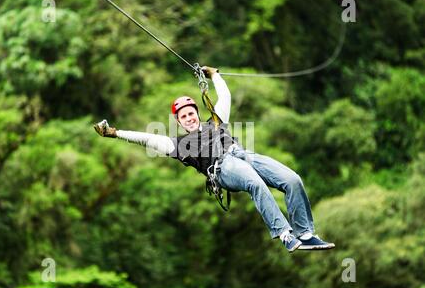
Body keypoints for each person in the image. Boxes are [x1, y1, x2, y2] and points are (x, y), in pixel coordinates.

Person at [94, 66, 335, 253]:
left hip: (243, 155)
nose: (188, 118)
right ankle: (284, 234)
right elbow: (146, 139)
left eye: (191, 113)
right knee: (255, 183)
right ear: (178, 122)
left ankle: (305, 234)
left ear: (197, 114)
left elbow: (225, 97)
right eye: (183, 117)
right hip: (222, 168)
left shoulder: (216, 122)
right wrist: (116, 133)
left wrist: (215, 75)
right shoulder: (178, 145)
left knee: (291, 179)